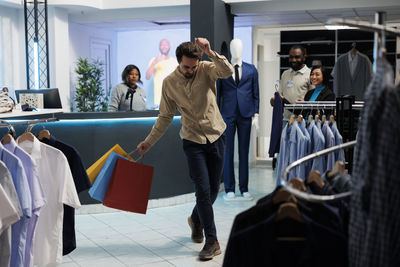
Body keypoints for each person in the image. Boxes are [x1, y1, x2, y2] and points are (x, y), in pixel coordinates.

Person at [137, 38, 234, 261]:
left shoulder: (207, 69)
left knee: (211, 191)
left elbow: (227, 71)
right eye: (186, 67)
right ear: (179, 62)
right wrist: (148, 141)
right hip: (192, 141)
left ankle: (195, 219)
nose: (190, 70)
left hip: (216, 135)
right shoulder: (169, 83)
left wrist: (209, 51)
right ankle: (212, 241)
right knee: (202, 189)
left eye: (193, 66)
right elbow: (165, 116)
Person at [217, 38, 259, 201]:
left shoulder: (251, 69)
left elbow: (256, 93)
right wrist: (218, 115)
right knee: (227, 152)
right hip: (227, 114)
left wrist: (256, 114)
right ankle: (229, 188)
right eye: (234, 48)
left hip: (246, 114)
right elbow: (218, 94)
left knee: (244, 152)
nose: (236, 50)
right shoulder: (223, 70)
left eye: (239, 47)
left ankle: (244, 188)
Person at [270, 45, 313, 121]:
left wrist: (305, 103)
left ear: (304, 57)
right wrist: (275, 101)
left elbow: (314, 100)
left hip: (303, 121)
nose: (293, 60)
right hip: (286, 120)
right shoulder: (285, 74)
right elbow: (281, 96)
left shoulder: (311, 74)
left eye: (297, 57)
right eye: (291, 57)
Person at [145, 39, 178, 107]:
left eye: (166, 44)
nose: (164, 46)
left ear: (169, 46)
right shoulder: (154, 60)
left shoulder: (175, 61)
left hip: (173, 98)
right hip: (158, 99)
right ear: (159, 47)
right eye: (162, 45)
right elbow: (147, 77)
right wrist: (155, 62)